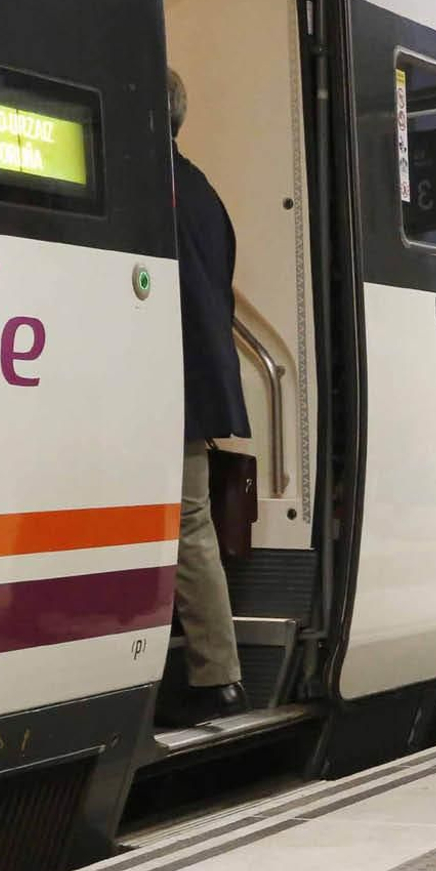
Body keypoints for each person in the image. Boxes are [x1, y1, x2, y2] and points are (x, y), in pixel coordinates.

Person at [156, 68, 252, 727]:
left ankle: (208, 671)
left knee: (179, 524)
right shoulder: (201, 190)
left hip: (156, 385)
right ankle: (217, 674)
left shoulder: (141, 186)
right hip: (189, 382)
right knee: (190, 524)